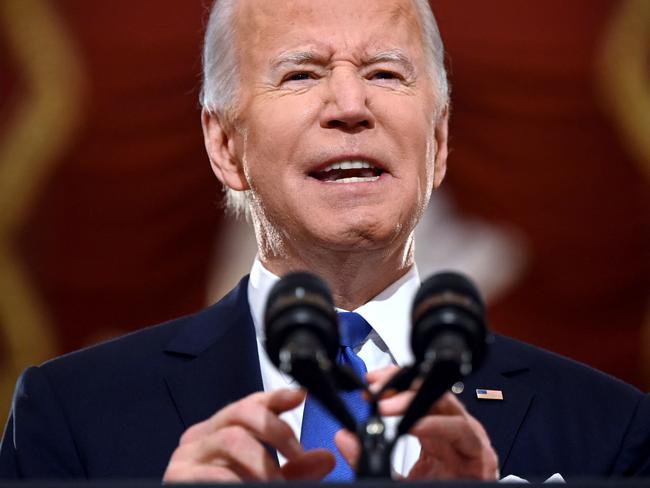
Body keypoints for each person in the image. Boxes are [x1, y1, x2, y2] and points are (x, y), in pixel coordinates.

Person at [0, 0, 648, 482]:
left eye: (387, 74)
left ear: (440, 143)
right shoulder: (69, 414)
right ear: (225, 146)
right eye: (302, 74)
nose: (349, 104)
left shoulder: (610, 428)